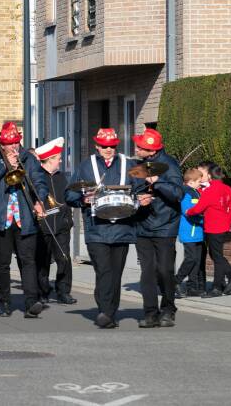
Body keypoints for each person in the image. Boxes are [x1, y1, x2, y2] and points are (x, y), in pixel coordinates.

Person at [65, 128, 144, 329]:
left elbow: (141, 188)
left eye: (112, 146)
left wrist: (140, 197)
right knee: (103, 271)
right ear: (97, 146)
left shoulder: (129, 164)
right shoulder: (85, 166)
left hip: (123, 227)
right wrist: (84, 198)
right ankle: (104, 311)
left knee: (115, 273)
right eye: (104, 146)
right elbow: (70, 195)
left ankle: (110, 312)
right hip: (96, 228)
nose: (108, 150)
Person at [0, 122, 49, 318]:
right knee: (2, 263)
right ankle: (5, 302)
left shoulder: (29, 159)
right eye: (9, 144)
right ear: (2, 144)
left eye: (16, 142)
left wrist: (39, 200)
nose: (14, 147)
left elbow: (40, 182)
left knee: (28, 261)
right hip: (1, 218)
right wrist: (5, 167)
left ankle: (31, 302)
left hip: (24, 217)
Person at [132, 128, 184, 328]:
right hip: (143, 224)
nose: (137, 148)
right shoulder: (139, 165)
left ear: (151, 151)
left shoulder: (169, 165)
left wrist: (158, 182)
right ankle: (150, 313)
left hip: (165, 225)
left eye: (141, 147)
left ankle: (169, 309)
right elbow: (134, 188)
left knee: (164, 270)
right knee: (147, 271)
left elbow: (178, 193)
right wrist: (139, 196)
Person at [186, 164, 231, 298]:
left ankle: (217, 287)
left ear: (210, 175)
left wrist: (188, 212)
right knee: (217, 255)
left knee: (217, 257)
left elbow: (199, 208)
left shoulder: (210, 190)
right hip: (223, 226)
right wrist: (229, 221)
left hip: (213, 226)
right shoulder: (227, 188)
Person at [35, 137, 76, 305]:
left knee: (64, 259)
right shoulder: (37, 176)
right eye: (58, 158)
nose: (60, 161)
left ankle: (63, 291)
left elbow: (68, 198)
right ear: (50, 159)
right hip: (42, 226)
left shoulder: (62, 177)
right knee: (42, 261)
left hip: (62, 225)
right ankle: (43, 291)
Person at [174, 168, 206, 298]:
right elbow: (188, 212)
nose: (201, 183)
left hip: (198, 232)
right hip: (189, 231)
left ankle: (192, 287)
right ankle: (176, 281)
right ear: (191, 182)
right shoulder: (186, 193)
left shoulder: (196, 192)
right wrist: (204, 220)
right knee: (191, 258)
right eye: (199, 181)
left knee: (196, 260)